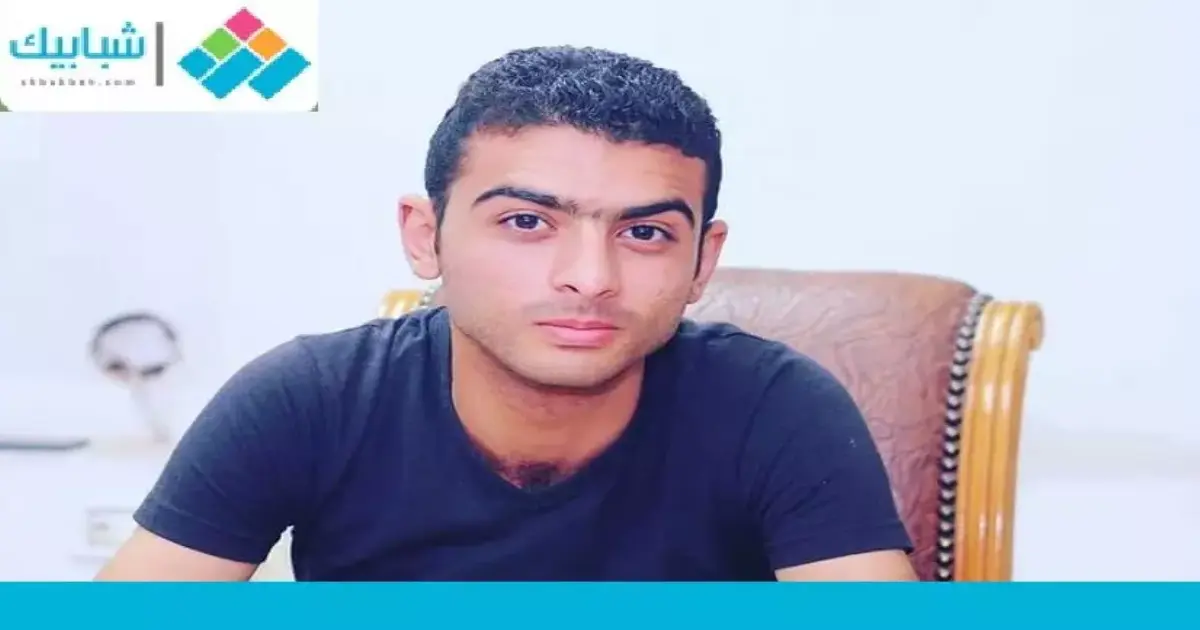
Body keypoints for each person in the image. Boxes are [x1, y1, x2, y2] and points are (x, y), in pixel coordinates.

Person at [97, 46, 916, 581]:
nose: (589, 279)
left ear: (702, 259)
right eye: (527, 222)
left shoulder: (775, 407)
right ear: (425, 237)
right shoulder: (310, 397)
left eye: (644, 233)